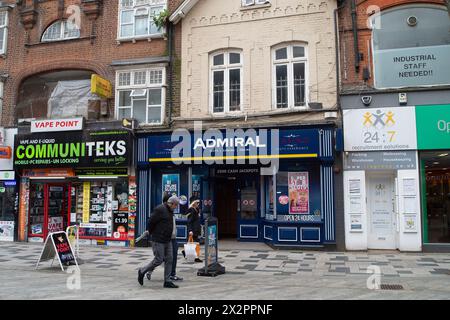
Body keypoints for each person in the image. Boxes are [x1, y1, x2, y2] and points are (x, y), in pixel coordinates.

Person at [138, 195, 179, 288]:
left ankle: (167, 281)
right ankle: (142, 271)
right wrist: (152, 233)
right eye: (175, 205)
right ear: (171, 203)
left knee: (170, 259)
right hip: (158, 239)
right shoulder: (160, 209)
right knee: (158, 260)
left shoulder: (170, 211)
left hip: (167, 239)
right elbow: (151, 222)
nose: (176, 207)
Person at [183, 196, 202, 263]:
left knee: (194, 243)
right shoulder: (191, 210)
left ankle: (188, 254)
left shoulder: (196, 209)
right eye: (197, 202)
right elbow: (189, 221)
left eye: (198, 203)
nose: (198, 204)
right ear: (193, 203)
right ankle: (195, 257)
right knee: (194, 243)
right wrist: (190, 230)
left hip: (195, 229)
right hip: (193, 229)